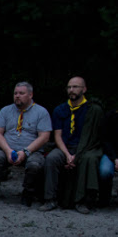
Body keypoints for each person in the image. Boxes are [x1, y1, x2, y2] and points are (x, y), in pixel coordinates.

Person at [39, 77, 104, 214]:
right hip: (65, 148)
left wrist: (77, 155)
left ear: (84, 89)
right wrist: (68, 155)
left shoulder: (93, 110)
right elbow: (57, 136)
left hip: (86, 148)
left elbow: (94, 138)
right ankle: (50, 199)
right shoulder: (60, 109)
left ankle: (82, 201)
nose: (71, 90)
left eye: (75, 87)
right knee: (52, 158)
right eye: (69, 87)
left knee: (88, 159)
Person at [99, 108, 118, 207]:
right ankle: (104, 199)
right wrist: (115, 158)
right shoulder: (110, 116)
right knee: (105, 171)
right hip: (111, 154)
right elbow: (105, 140)